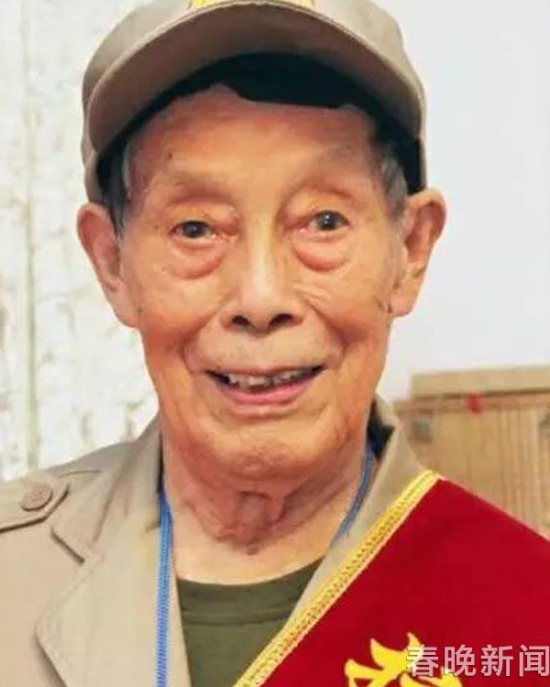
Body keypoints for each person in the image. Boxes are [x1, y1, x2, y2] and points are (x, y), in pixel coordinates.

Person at [2, 0, 550, 685]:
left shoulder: (526, 612)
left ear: (410, 250)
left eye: (323, 221)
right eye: (197, 229)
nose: (261, 299)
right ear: (112, 263)